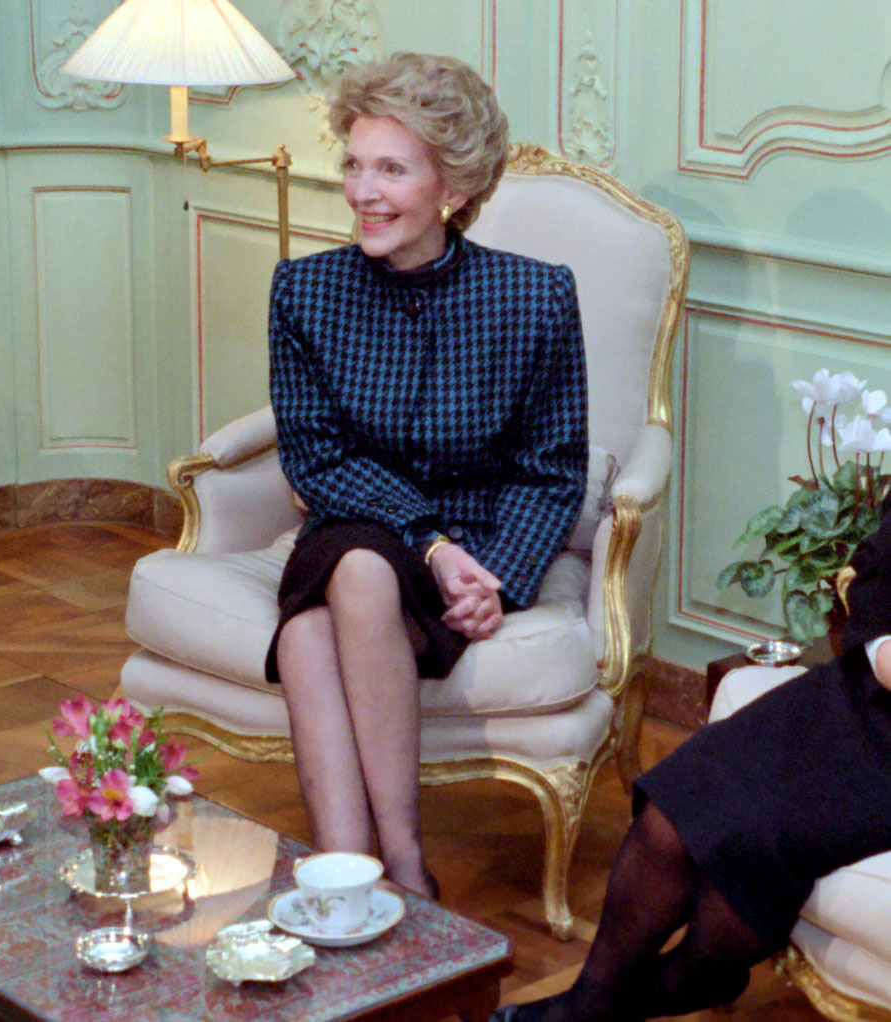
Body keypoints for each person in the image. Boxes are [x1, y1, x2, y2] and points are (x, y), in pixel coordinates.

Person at [265, 52, 589, 900]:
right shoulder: (305, 291)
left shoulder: (534, 298)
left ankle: (346, 881)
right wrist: (431, 542)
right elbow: (316, 459)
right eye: (354, 164)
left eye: (391, 169)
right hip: (347, 523)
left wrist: (496, 579)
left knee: (307, 635)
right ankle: (403, 870)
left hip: (480, 544)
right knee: (364, 567)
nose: (363, 191)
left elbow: (551, 469)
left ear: (452, 186)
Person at [492, 507, 891, 1021]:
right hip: (862, 696)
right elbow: (880, 564)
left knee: (754, 863)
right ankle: (591, 999)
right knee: (676, 807)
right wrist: (881, 642)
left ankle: (607, 1003)